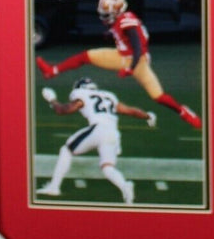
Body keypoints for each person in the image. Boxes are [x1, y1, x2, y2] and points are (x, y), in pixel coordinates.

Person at [35, 0, 202, 129]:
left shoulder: (126, 23)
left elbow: (137, 48)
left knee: (158, 96)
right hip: (122, 56)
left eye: (107, 14)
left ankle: (184, 112)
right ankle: (52, 71)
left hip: (136, 61)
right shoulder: (122, 19)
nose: (104, 17)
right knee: (86, 56)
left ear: (117, 11)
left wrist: (131, 68)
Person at [37, 76, 156, 204]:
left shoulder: (82, 95)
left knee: (66, 150)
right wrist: (148, 116)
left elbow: (63, 110)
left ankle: (54, 187)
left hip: (98, 129)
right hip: (113, 133)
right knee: (107, 168)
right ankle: (125, 186)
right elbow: (130, 111)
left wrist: (52, 100)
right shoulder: (108, 96)